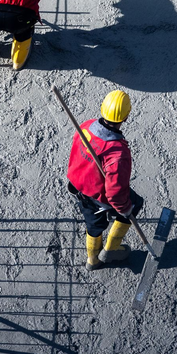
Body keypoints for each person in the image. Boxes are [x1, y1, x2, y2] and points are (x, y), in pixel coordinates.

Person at [66, 90, 144, 271]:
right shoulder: (117, 153)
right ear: (125, 117)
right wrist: (125, 210)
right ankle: (111, 249)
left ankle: (93, 260)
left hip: (79, 187)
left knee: (94, 225)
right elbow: (115, 193)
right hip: (98, 196)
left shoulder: (85, 126)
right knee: (135, 204)